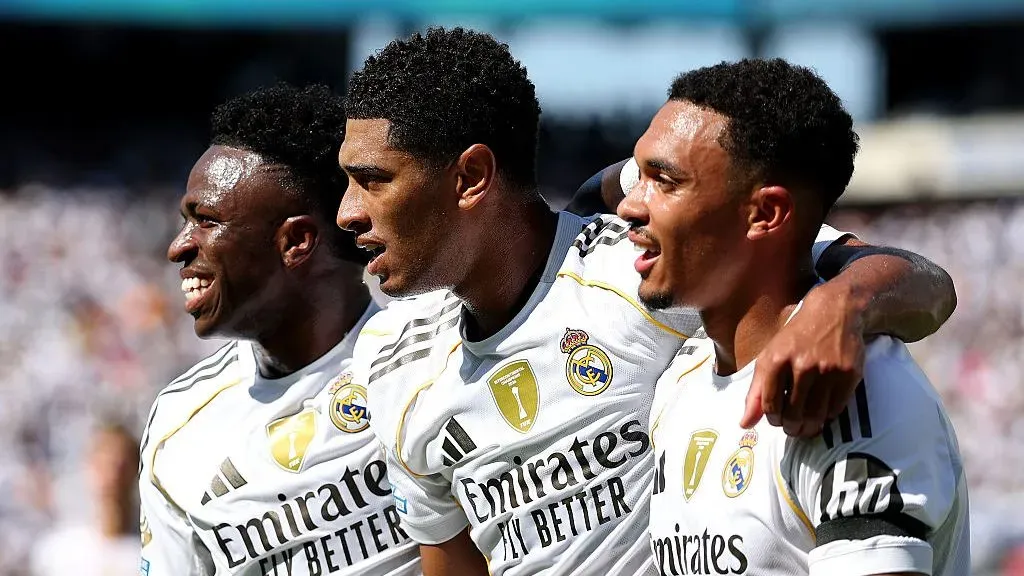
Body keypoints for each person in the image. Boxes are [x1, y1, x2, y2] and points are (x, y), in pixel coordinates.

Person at [338, 27, 956, 576]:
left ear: (473, 177)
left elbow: (920, 282)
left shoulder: (643, 278)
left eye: (373, 179)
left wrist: (840, 305)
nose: (348, 211)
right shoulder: (395, 357)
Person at [629, 59, 967, 575]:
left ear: (765, 214)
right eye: (639, 175)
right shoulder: (684, 377)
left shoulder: (852, 391)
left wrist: (841, 303)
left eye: (665, 181)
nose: (630, 206)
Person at [138, 83, 420, 575]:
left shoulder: (427, 359)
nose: (178, 247)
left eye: (206, 221)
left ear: (295, 242)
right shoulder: (179, 425)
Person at [31, 423, 141, 576]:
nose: (112, 476)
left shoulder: (152, 554)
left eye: (121, 466)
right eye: (103, 464)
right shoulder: (56, 553)